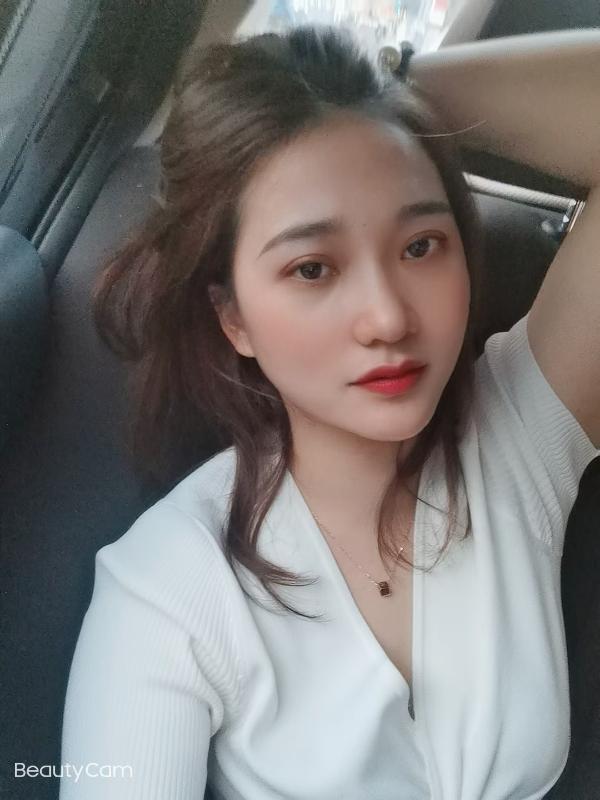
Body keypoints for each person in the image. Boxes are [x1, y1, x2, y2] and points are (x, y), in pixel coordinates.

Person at [58, 24, 600, 799]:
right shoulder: (170, 590)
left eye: (420, 246)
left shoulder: (518, 437)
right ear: (233, 318)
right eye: (313, 268)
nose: (388, 316)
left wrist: (395, 85)